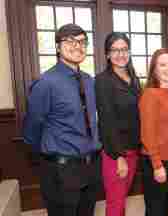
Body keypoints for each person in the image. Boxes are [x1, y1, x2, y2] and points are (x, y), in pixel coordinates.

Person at [23, 23, 100, 216]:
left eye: (82, 42)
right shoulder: (46, 83)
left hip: (90, 166)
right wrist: (50, 156)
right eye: (70, 41)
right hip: (60, 170)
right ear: (58, 47)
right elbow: (32, 128)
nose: (77, 46)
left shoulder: (89, 81)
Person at [95, 32, 141, 216]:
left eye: (124, 49)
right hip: (116, 153)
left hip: (134, 148)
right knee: (115, 203)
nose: (120, 54)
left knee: (122, 198)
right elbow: (107, 120)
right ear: (107, 54)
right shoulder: (102, 80)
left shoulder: (133, 78)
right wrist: (118, 157)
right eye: (115, 50)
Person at [139, 48, 168, 216]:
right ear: (154, 69)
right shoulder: (150, 94)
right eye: (162, 64)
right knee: (156, 210)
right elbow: (147, 133)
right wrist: (157, 165)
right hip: (157, 161)